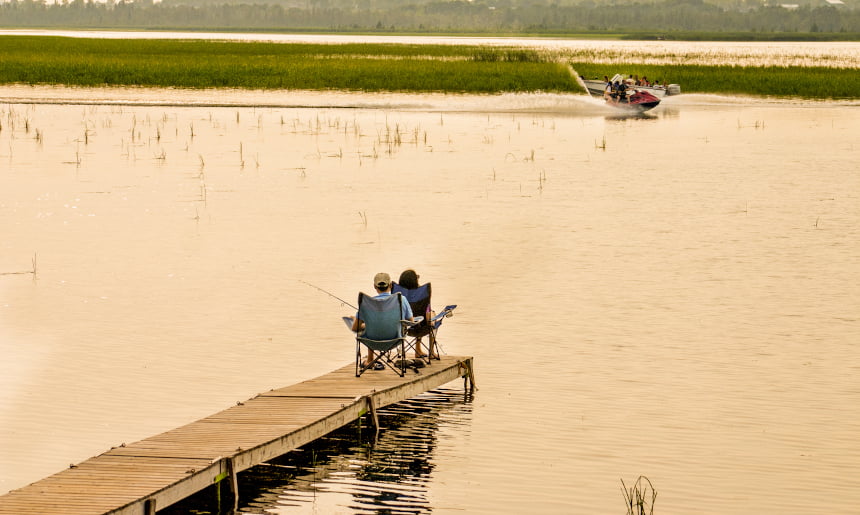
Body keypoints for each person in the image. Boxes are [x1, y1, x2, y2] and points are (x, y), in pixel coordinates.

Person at [350, 272, 413, 369]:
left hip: (372, 341)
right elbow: (410, 321)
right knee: (374, 325)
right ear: (391, 285)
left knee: (367, 327)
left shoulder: (367, 302)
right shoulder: (401, 299)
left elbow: (355, 327)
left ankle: (370, 360)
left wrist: (364, 324)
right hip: (395, 339)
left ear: (375, 286)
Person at [397, 269, 437, 359]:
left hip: (401, 328)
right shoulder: (422, 294)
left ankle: (406, 350)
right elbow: (427, 315)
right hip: (420, 328)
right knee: (432, 316)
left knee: (416, 317)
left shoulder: (398, 294)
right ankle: (431, 351)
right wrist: (433, 315)